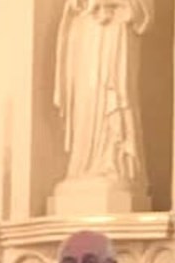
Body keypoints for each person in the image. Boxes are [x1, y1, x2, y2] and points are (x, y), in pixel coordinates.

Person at [54, 0, 153, 183]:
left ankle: (116, 161)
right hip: (89, 32)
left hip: (117, 31)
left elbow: (144, 12)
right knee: (89, 96)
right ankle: (85, 164)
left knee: (114, 90)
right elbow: (73, 7)